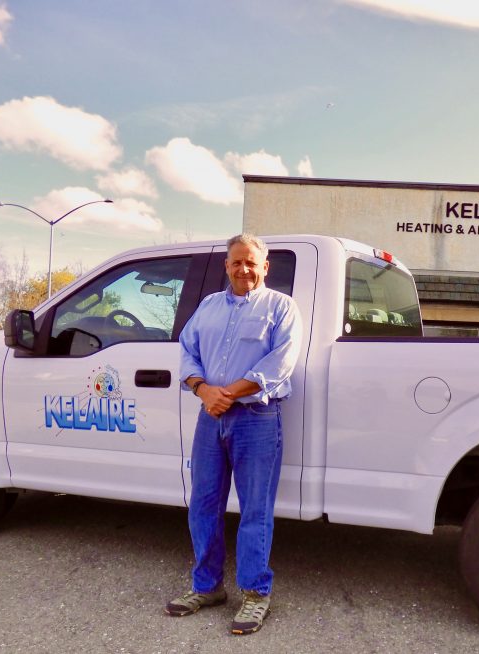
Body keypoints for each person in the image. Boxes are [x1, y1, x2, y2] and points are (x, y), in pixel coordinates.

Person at [166, 233, 302, 635]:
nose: (243, 269)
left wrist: (229, 393)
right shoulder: (208, 306)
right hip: (211, 416)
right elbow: (186, 350)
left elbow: (281, 362)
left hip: (256, 418)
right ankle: (207, 587)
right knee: (203, 505)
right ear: (226, 266)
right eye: (236, 263)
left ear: (265, 267)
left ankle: (256, 594)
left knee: (254, 511)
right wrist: (204, 389)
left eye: (250, 263)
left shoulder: (281, 307)